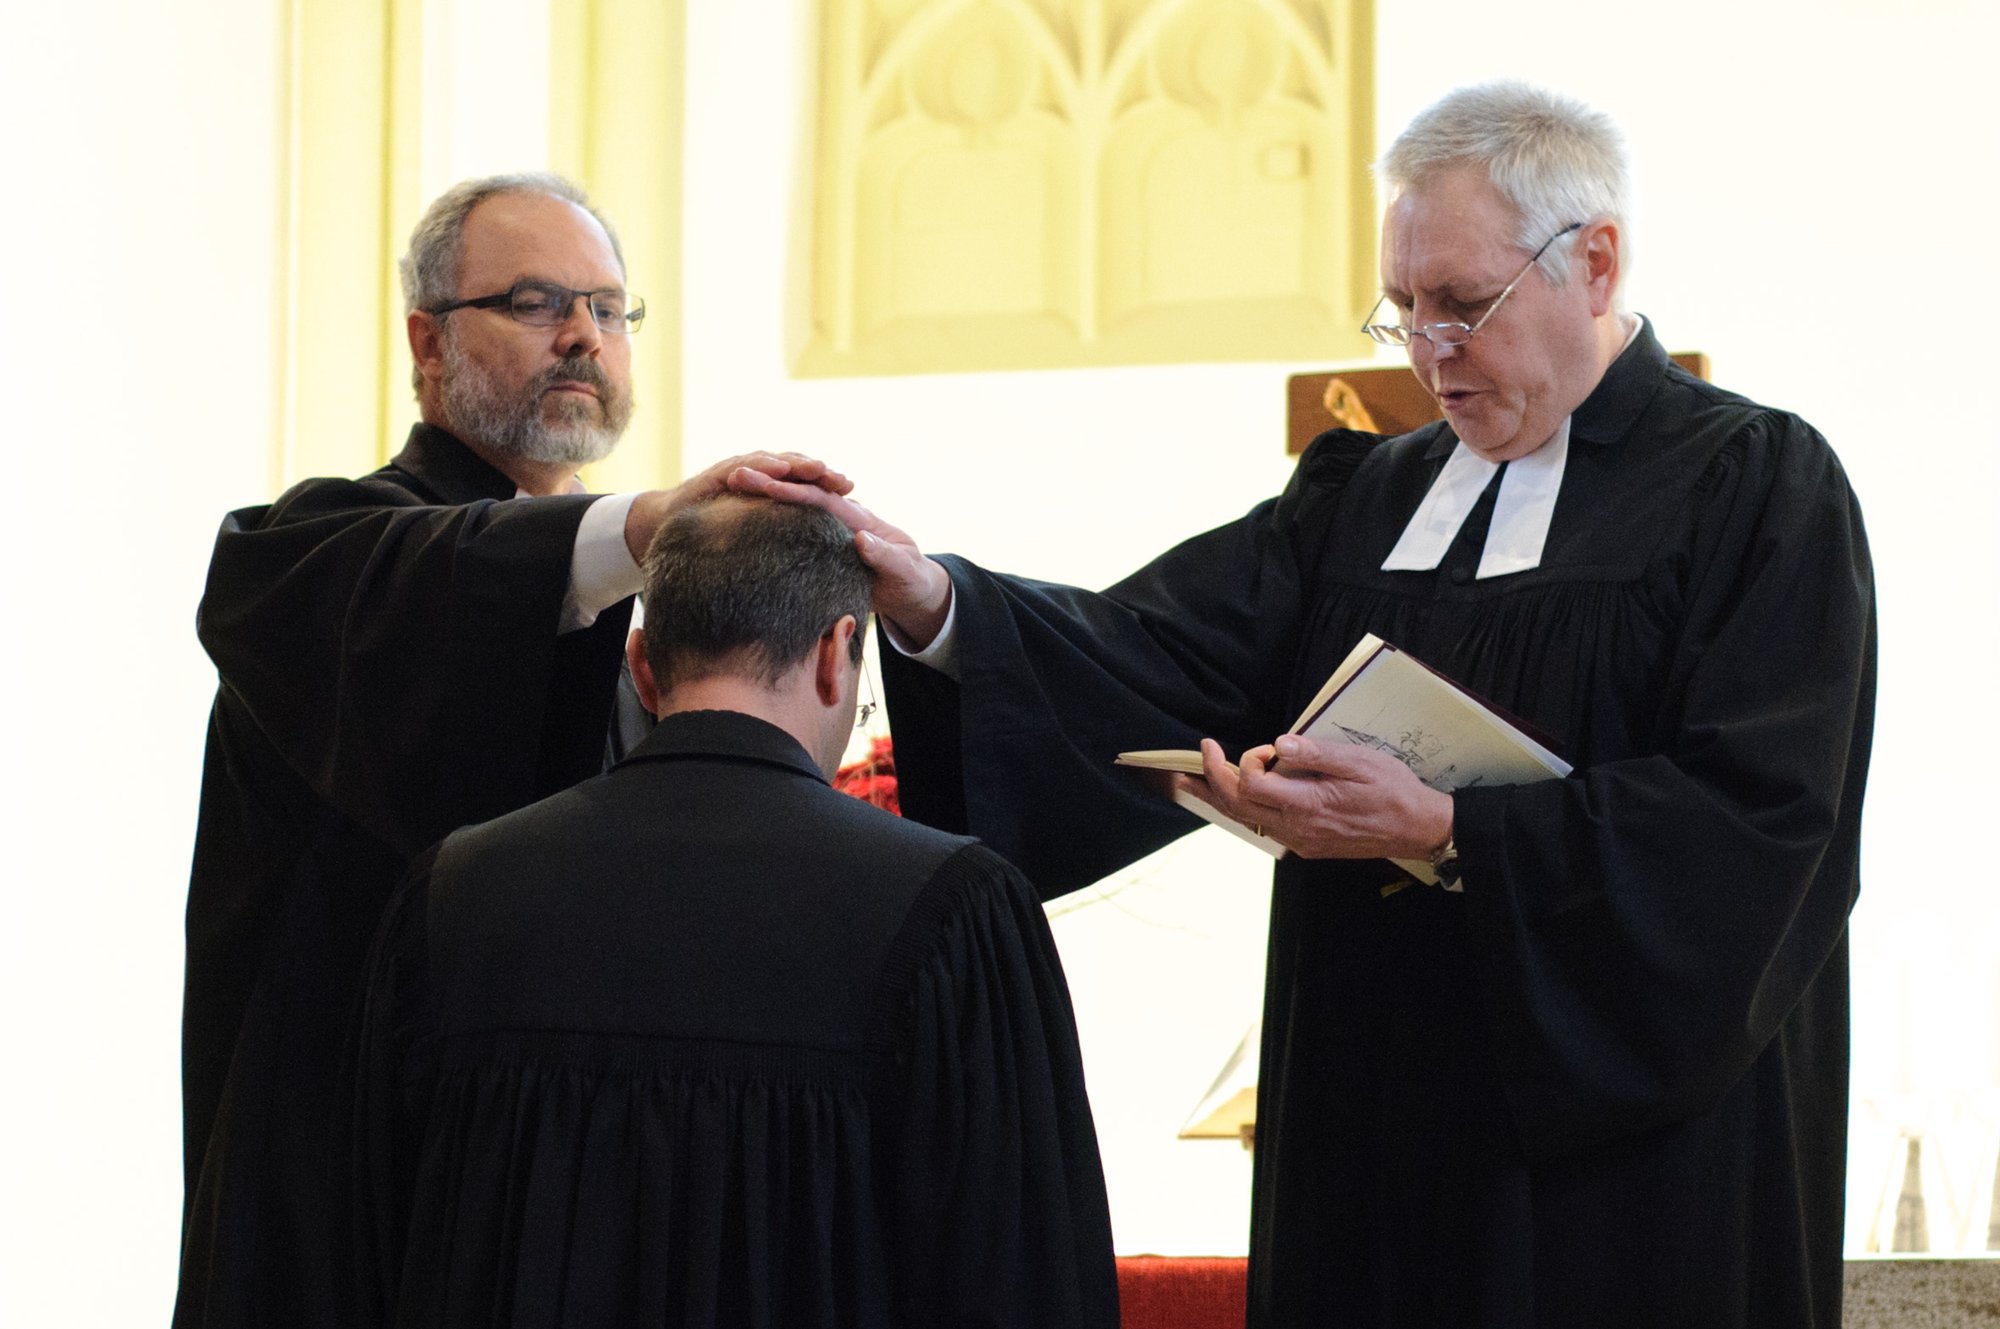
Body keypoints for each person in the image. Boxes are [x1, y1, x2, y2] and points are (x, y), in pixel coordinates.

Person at [747, 82, 1877, 1327]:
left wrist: (1448, 833)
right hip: (1372, 1129)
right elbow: (1159, 650)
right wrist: (935, 602)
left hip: (1623, 1174)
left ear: (1593, 263)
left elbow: (1763, 820)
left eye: (1460, 306)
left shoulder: (1755, 487)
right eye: (1402, 312)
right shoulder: (1369, 496)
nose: (1426, 353)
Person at [180, 173, 851, 1326]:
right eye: (538, 302)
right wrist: (642, 524)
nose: (584, 336)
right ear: (426, 342)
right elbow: (418, 610)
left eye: (608, 306)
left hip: (586, 1189)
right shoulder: (319, 551)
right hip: (365, 1185)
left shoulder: (647, 607)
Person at [348, 496, 1119, 1328]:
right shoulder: (954, 909)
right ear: (837, 653)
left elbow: (374, 1253)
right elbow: (1023, 1273)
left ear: (642, 663)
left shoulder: (453, 892)